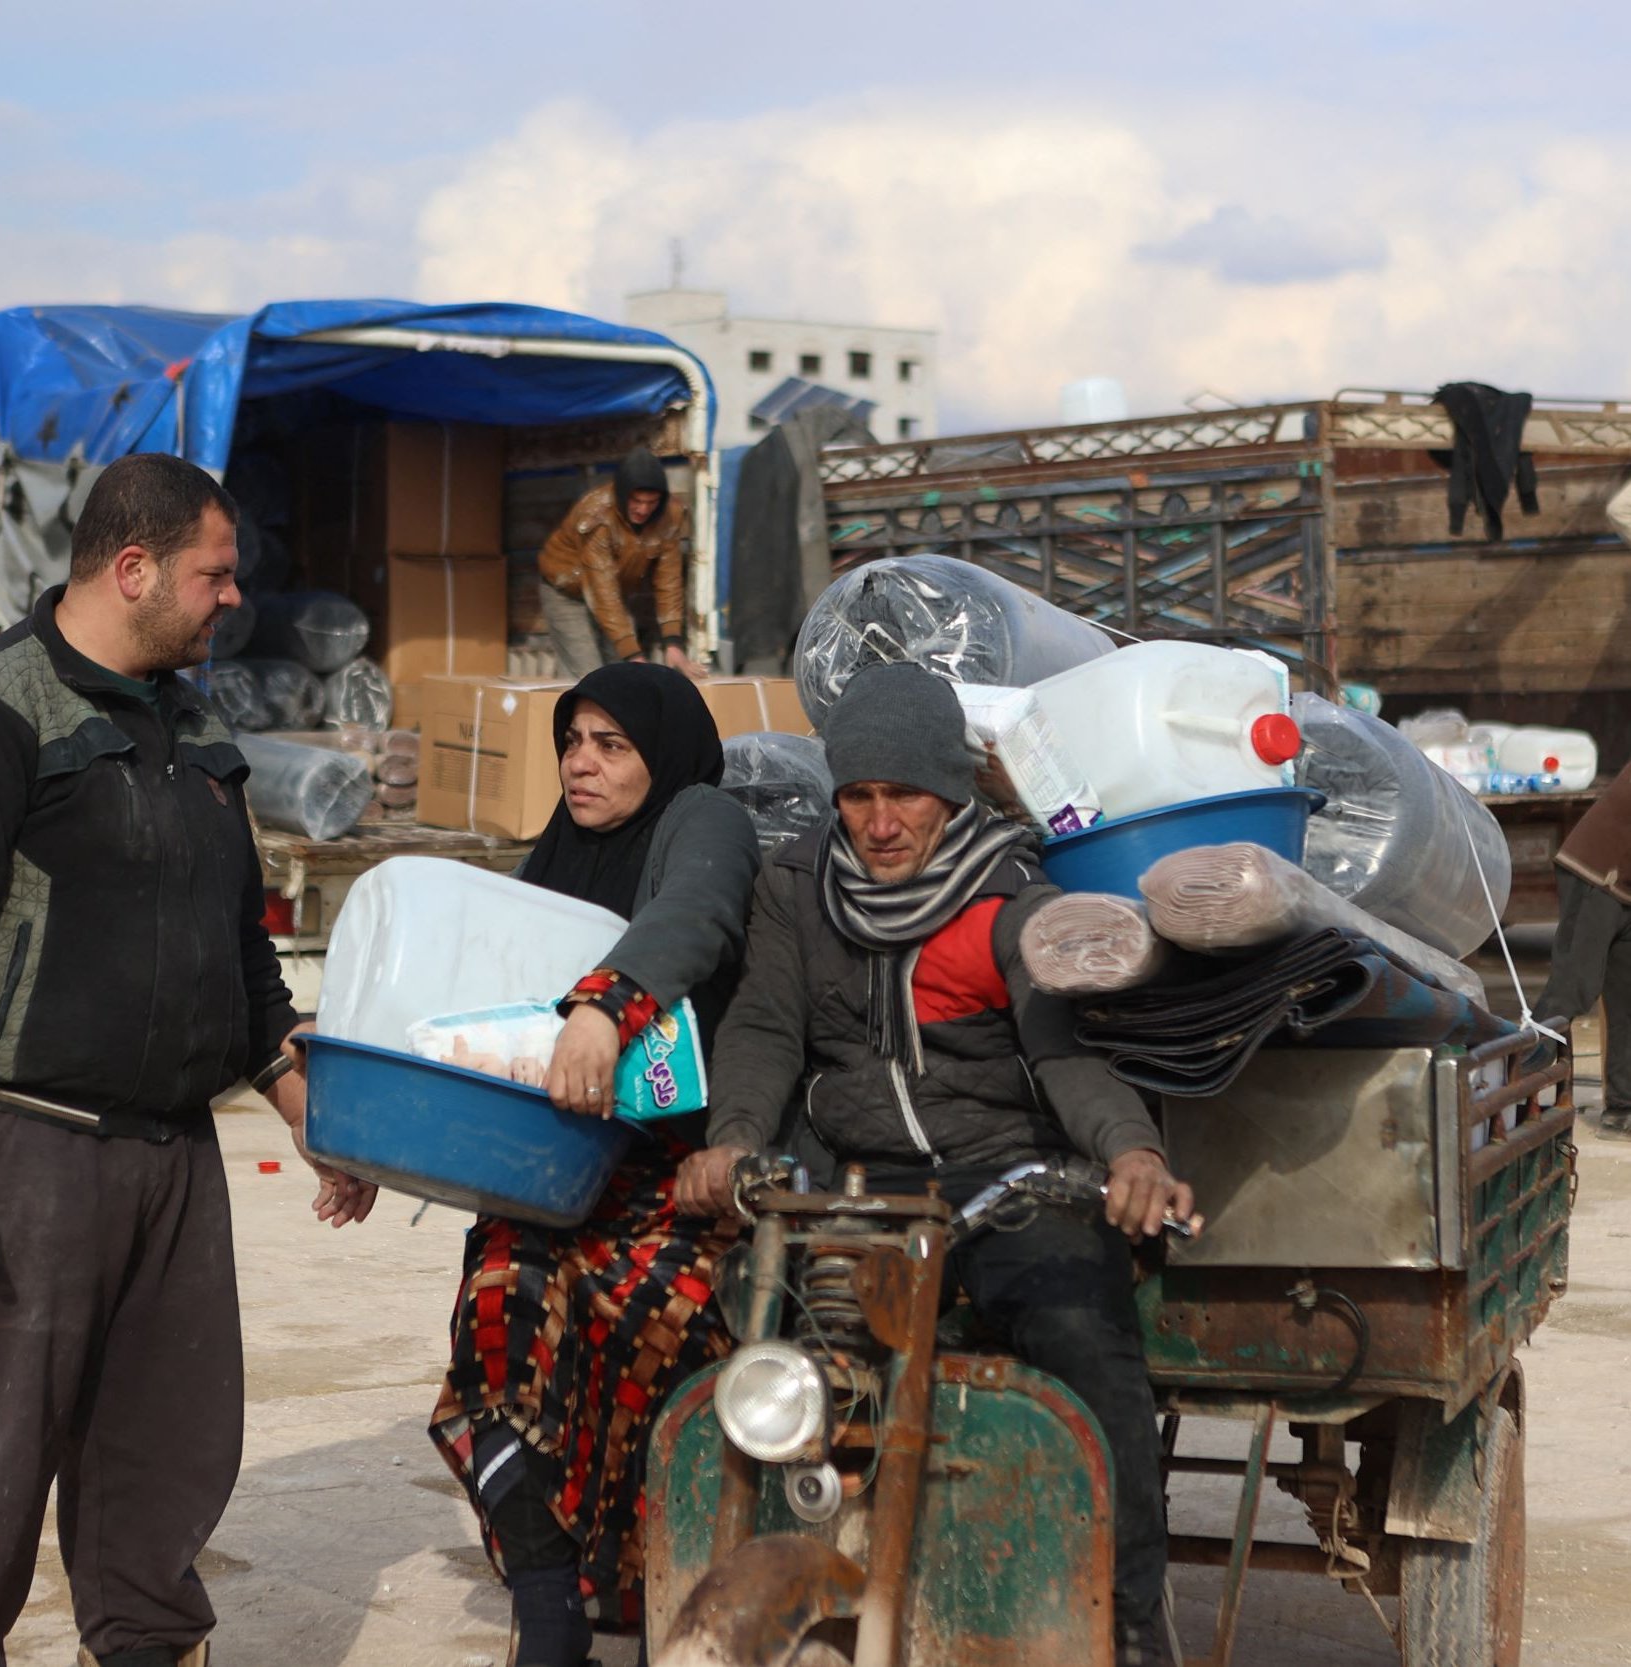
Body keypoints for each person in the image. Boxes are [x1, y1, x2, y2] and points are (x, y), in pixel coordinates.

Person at [676, 661, 1196, 1667]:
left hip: (1001, 1178)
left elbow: (1062, 1053)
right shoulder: (795, 886)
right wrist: (732, 1140)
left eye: (902, 794)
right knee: (756, 1333)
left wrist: (1128, 1152)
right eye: (858, 796)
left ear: (948, 795)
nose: (878, 821)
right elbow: (764, 1027)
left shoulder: (1009, 896)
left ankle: (1131, 1625)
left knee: (1088, 1347)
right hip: (857, 1183)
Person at [0, 452, 376, 1667]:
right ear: (132, 567)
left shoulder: (199, 725)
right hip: (31, 1145)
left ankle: (145, 1648)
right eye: (214, 573)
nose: (233, 597)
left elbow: (240, 953)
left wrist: (310, 1105)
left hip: (176, 1159)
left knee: (167, 1446)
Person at [428, 662, 760, 1667]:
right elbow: (477, 994)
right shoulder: (557, 854)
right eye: (572, 739)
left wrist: (603, 1006)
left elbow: (692, 916)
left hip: (676, 1181)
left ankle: (655, 1590)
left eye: (611, 744)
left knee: (650, 1333)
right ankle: (548, 1604)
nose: (582, 760)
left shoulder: (700, 818)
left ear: (659, 756)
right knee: (499, 1308)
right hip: (547, 1172)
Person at [538, 447, 708, 682]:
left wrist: (673, 644)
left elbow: (669, 579)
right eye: (636, 501)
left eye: (652, 502)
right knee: (589, 674)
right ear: (623, 495)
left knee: (621, 673)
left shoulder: (670, 515)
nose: (643, 509)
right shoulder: (597, 514)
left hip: (614, 593)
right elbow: (602, 588)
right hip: (566, 589)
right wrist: (634, 656)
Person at [1533, 758, 1631, 1137]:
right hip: (1596, 873)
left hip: (1623, 885)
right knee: (1575, 987)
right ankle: (1510, 1084)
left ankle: (1622, 1108)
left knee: (1626, 999)